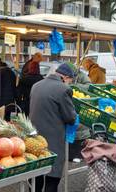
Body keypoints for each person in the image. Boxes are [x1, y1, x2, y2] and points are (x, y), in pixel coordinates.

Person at [30, 63, 77, 192]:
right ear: (66, 77)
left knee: (36, 175)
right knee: (52, 178)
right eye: (70, 81)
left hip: (34, 137)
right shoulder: (63, 89)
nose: (69, 84)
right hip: (53, 139)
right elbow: (70, 118)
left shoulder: (36, 86)